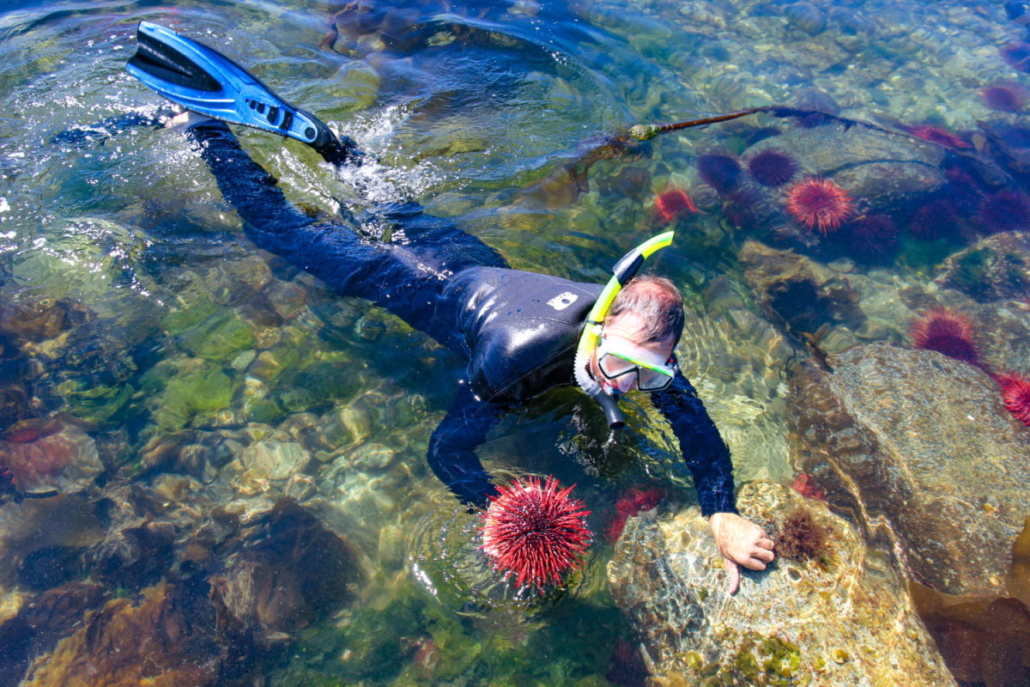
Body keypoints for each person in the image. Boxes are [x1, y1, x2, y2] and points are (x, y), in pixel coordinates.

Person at [122, 21, 774, 593]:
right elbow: (446, 449)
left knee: (389, 199)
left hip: (472, 258)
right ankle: (206, 127)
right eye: (625, 366)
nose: (631, 386)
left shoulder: (641, 339)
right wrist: (490, 506)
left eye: (650, 376)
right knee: (275, 230)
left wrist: (720, 509)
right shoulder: (516, 361)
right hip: (409, 281)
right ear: (601, 322)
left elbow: (695, 425)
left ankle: (331, 145)